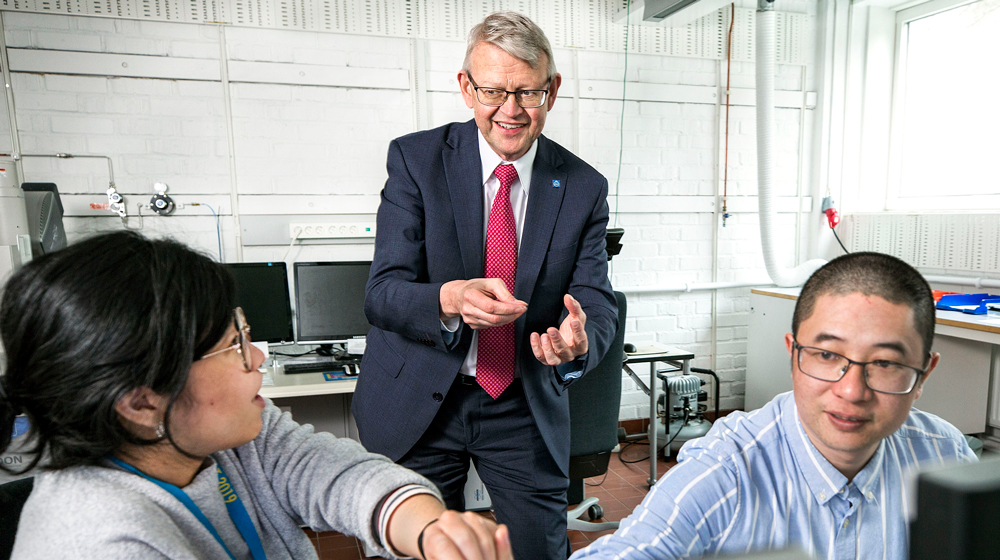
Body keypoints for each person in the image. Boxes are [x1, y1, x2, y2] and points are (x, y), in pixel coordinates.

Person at [0, 231, 512, 560]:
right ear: (140, 402)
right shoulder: (101, 544)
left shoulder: (225, 436)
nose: (259, 359)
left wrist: (428, 529)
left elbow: (332, 471)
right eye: (234, 346)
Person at [352, 11, 619, 559]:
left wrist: (579, 339)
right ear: (466, 88)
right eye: (494, 91)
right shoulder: (415, 161)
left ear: (553, 89)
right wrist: (448, 299)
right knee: (419, 549)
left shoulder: (584, 186)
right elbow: (383, 292)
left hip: (521, 397)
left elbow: (596, 298)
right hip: (421, 397)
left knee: (541, 549)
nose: (511, 111)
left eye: (528, 92)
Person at [572, 252, 977, 560]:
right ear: (792, 355)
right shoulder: (728, 468)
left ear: (924, 373)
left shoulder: (944, 454)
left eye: (885, 363)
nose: (852, 391)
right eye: (826, 355)